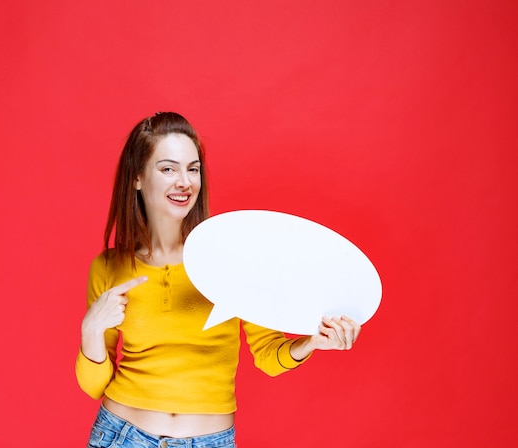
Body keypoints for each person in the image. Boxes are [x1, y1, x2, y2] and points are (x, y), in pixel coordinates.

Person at [76, 112, 361, 448]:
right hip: (121, 435)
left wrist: (313, 341)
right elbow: (95, 386)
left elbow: (269, 356)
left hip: (210, 441)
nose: (184, 181)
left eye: (192, 169)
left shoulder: (233, 260)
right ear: (137, 177)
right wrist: (91, 331)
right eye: (168, 168)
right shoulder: (109, 267)